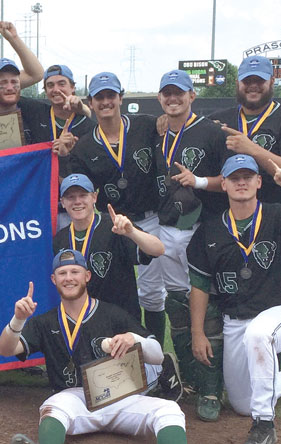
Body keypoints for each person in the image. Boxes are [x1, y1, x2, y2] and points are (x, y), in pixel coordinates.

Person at [0, 249, 236, 444]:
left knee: (168, 409)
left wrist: (133, 339)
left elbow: (156, 354)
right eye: (62, 273)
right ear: (54, 280)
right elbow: (6, 349)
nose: (69, 277)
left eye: (75, 272)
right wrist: (17, 320)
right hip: (75, 399)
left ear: (87, 276)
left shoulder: (112, 313)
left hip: (120, 397)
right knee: (53, 406)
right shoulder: (45, 321)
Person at [187, 154, 281, 444]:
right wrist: (197, 332)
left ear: (258, 182)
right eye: (234, 177)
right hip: (235, 321)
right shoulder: (210, 231)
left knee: (259, 336)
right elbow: (199, 286)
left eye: (247, 177)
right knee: (243, 404)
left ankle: (264, 425)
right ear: (223, 184)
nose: (241, 182)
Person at [51, 174, 180, 400]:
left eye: (83, 195)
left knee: (112, 394)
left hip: (120, 320)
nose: (77, 201)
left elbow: (158, 249)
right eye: (70, 197)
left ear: (94, 197)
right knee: (81, 389)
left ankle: (160, 368)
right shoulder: (61, 238)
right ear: (62, 202)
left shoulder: (115, 226)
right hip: (86, 325)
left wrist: (131, 231)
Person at [152, 69, 231, 421]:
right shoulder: (156, 133)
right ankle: (191, 382)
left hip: (205, 227)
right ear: (159, 98)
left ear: (192, 96)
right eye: (167, 94)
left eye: (179, 93)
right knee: (177, 304)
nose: (173, 99)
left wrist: (197, 181)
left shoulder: (211, 132)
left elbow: (233, 180)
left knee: (207, 306)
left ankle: (212, 386)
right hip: (166, 227)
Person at [64, 72, 165, 342]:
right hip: (110, 223)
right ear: (92, 102)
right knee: (111, 285)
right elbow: (78, 188)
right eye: (100, 97)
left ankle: (154, 355)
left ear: (121, 98)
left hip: (148, 218)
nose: (106, 102)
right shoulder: (84, 146)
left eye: (111, 96)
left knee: (153, 293)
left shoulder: (147, 125)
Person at [210, 55, 281, 284]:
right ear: (238, 83)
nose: (253, 86)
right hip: (233, 218)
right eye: (247, 81)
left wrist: (252, 149)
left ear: (272, 82)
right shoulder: (220, 120)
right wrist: (164, 122)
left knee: (277, 289)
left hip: (279, 217)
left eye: (259, 80)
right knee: (233, 287)